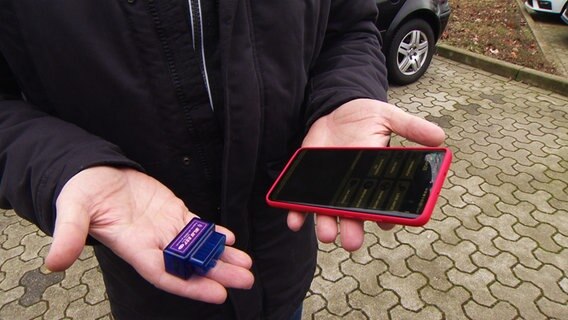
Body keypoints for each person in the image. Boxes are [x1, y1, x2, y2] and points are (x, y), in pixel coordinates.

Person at [0, 1, 445, 319]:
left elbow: (348, 28)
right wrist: (63, 165)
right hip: (155, 288)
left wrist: (345, 97)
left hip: (280, 272)